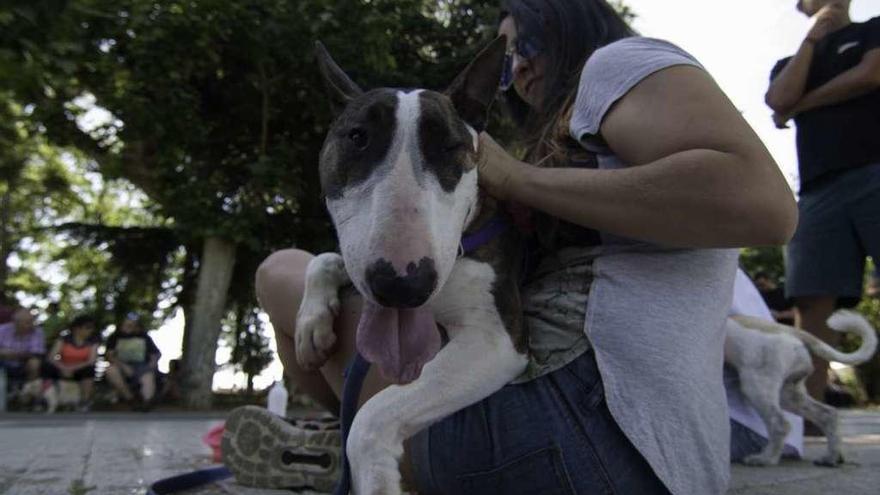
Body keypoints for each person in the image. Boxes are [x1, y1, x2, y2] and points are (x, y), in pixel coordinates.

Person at [231, 1, 797, 493]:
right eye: (507, 61)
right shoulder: (566, 139)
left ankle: (365, 444)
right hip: (657, 455)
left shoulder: (618, 62)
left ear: (575, 17)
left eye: (525, 44)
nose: (517, 66)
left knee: (281, 273)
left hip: (574, 433)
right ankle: (357, 445)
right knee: (317, 279)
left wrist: (515, 178)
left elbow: (766, 206)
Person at [765, 0, 880, 401]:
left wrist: (803, 106)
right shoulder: (788, 63)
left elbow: (871, 74)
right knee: (812, 298)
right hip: (817, 190)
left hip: (875, 170)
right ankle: (806, 418)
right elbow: (779, 99)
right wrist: (812, 38)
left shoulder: (872, 31)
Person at [41, 315, 100, 410]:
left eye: (92, 328)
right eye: (87, 328)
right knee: (47, 367)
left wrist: (72, 368)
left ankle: (84, 401)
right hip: (62, 367)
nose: (90, 330)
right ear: (77, 328)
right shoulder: (64, 339)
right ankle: (45, 398)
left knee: (90, 370)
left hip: (80, 369)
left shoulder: (93, 341)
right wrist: (63, 367)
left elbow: (91, 361)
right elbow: (51, 357)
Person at [104, 313, 161, 409]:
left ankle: (147, 402)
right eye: (127, 324)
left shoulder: (144, 336)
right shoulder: (115, 337)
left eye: (132, 325)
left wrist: (152, 364)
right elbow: (110, 356)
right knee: (111, 370)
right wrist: (123, 366)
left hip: (142, 366)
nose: (129, 327)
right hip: (121, 365)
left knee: (148, 376)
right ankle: (130, 399)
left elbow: (155, 354)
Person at [0, 307, 45, 384]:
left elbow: (36, 353)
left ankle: (29, 389)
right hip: (3, 361)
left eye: (31, 321)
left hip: (24, 362)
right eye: (27, 322)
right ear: (15, 322)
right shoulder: (2, 330)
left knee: (34, 363)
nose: (31, 325)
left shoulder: (37, 332)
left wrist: (14, 354)